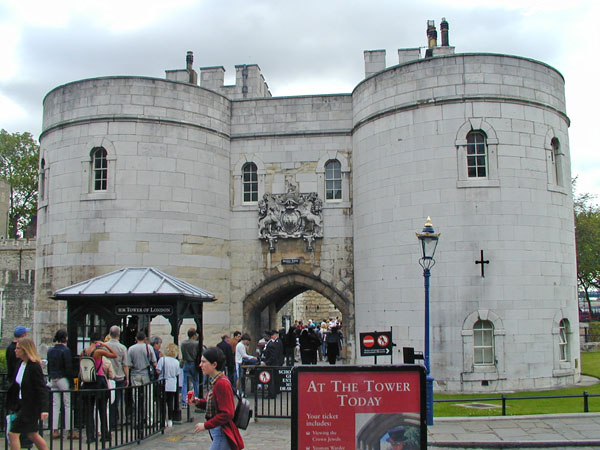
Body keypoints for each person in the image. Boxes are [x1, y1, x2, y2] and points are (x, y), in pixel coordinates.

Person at [191, 347, 244, 450]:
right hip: (218, 430)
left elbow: (227, 413)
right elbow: (216, 405)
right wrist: (198, 402)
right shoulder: (216, 381)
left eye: (204, 362)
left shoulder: (221, 383)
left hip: (221, 430)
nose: (200, 365)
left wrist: (205, 425)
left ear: (214, 364)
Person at [6, 337, 49, 450]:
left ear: (25, 350)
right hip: (21, 404)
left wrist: (44, 409)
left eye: (18, 349)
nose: (16, 351)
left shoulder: (34, 366)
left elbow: (41, 389)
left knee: (13, 433)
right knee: (32, 434)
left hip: (30, 406)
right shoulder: (20, 364)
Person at [81, 332, 117, 444]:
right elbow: (114, 355)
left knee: (89, 411)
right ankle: (105, 434)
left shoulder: (84, 352)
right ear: (98, 341)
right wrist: (105, 345)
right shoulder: (99, 351)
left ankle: (90, 436)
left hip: (88, 382)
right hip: (99, 381)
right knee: (102, 409)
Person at [47, 329, 78, 439]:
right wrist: (72, 381)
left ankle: (54, 430)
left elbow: (49, 365)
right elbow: (68, 368)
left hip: (53, 378)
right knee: (68, 405)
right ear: (65, 338)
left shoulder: (50, 350)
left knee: (55, 405)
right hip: (63, 378)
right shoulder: (65, 350)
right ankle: (69, 431)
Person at [128, 331, 157, 433]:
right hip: (146, 374)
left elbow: (129, 364)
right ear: (145, 338)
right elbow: (154, 362)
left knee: (136, 398)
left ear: (136, 338)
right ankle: (149, 420)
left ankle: (137, 420)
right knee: (148, 397)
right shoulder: (149, 348)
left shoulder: (131, 349)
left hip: (135, 374)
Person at [105, 325, 130, 430]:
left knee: (108, 401)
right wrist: (127, 378)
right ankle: (117, 421)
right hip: (119, 376)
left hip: (107, 376)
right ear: (119, 335)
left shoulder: (104, 346)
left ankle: (108, 422)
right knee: (118, 400)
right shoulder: (122, 348)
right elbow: (125, 365)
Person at [156, 343, 180, 427]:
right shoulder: (176, 362)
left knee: (162, 403)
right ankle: (170, 419)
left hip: (163, 383)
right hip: (172, 384)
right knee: (170, 402)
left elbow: (158, 370)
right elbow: (177, 373)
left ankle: (163, 420)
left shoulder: (162, 359)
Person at [180, 328, 200, 406]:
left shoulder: (183, 343)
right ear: (194, 335)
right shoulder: (196, 344)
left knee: (185, 383)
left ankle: (184, 402)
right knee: (196, 382)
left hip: (186, 363)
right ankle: (197, 399)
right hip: (193, 363)